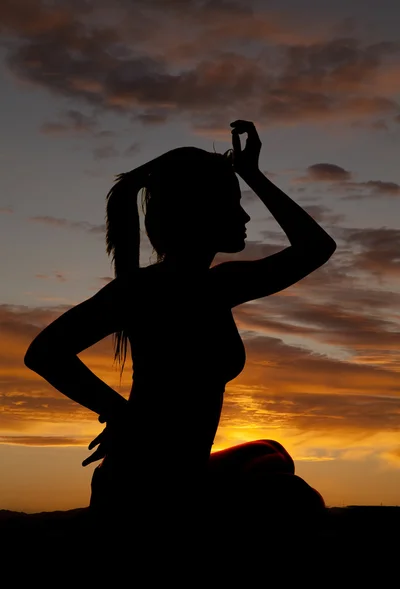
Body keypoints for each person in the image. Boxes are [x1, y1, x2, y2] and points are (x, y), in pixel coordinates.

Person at [24, 120, 335, 544]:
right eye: (234, 204)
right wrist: (123, 416)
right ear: (200, 212)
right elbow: (45, 351)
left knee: (270, 452)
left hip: (178, 471)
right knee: (291, 495)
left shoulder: (211, 285)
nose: (245, 216)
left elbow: (316, 249)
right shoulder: (157, 288)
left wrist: (250, 173)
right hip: (146, 488)